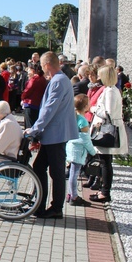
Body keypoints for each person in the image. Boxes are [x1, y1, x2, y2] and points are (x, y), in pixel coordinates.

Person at [24, 51, 77, 219]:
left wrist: (34, 129)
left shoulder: (58, 81)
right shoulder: (59, 80)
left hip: (56, 134)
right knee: (40, 167)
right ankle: (40, 204)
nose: (41, 69)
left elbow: (49, 109)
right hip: (54, 134)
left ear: (47, 65)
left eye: (41, 66)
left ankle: (55, 208)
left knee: (56, 172)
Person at [88, 65, 130, 203]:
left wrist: (94, 109)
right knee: (104, 161)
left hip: (107, 130)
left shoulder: (111, 91)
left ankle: (105, 192)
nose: (98, 78)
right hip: (106, 128)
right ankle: (103, 190)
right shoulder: (110, 90)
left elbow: (108, 113)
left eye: (100, 75)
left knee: (105, 162)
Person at [66, 94, 95, 206]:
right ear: (86, 106)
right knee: (74, 174)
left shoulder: (74, 117)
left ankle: (70, 194)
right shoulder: (83, 120)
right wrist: (93, 152)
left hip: (71, 148)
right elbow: (85, 139)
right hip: (78, 150)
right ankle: (74, 196)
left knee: (72, 173)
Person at [21, 64, 47, 129]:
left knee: (29, 125)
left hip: (30, 103)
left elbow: (27, 90)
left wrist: (23, 97)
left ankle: (30, 138)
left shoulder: (34, 79)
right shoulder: (43, 79)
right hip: (38, 104)